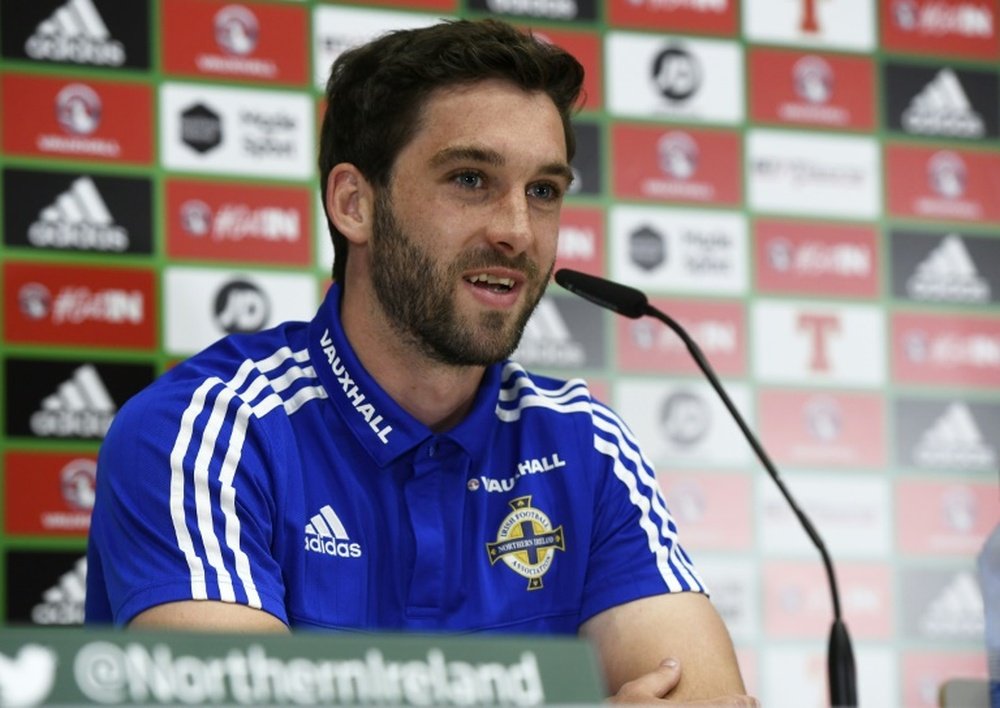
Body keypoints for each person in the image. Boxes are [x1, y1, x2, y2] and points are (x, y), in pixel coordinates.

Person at [85, 18, 754, 705]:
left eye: (544, 191)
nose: (517, 231)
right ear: (355, 203)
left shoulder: (583, 443)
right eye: (470, 179)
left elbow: (705, 696)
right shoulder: (204, 435)